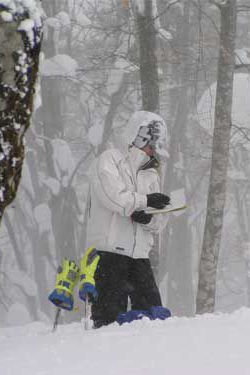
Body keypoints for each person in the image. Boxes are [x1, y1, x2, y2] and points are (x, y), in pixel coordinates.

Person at [84, 111, 172, 328]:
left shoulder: (151, 174)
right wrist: (144, 201)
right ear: (139, 137)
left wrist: (147, 219)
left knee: (154, 318)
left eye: (157, 147)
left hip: (140, 256)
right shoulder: (109, 160)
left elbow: (161, 220)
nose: (153, 152)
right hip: (109, 254)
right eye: (152, 145)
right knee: (109, 321)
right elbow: (113, 197)